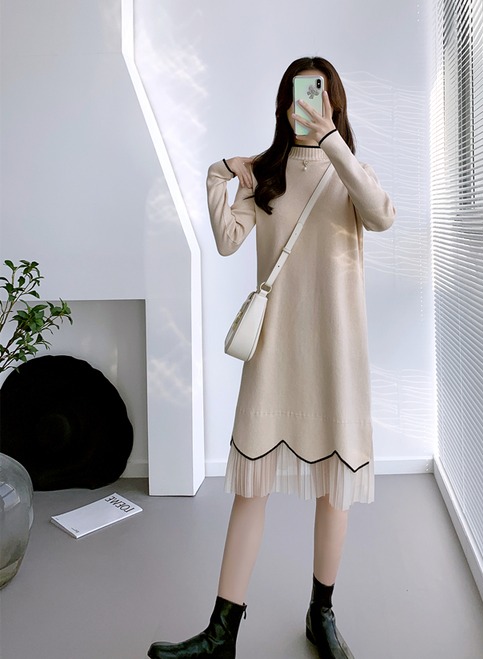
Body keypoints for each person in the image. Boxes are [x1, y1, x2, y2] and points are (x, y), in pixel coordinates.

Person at [147, 56, 395, 659]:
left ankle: (321, 614)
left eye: (317, 94)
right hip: (277, 351)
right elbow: (227, 241)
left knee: (334, 488)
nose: (305, 104)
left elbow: (382, 216)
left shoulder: (350, 170)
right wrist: (221, 176)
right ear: (283, 105)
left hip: (336, 351)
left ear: (334, 102)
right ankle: (221, 633)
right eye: (296, 95)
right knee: (250, 487)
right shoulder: (268, 173)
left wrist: (331, 140)